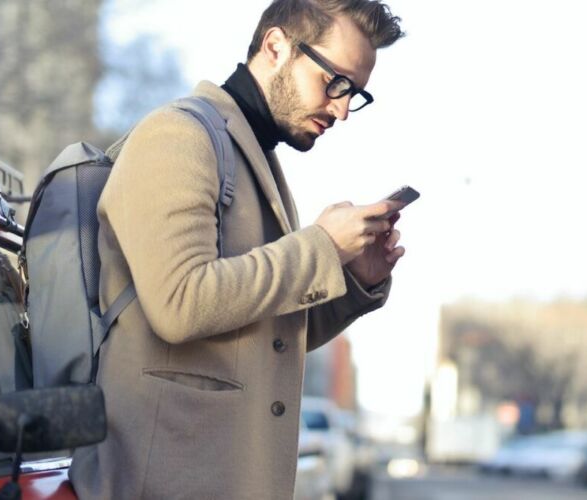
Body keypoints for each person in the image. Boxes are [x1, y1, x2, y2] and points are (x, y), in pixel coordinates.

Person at [69, 0, 406, 498]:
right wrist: (320, 248)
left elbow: (268, 336)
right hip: (158, 482)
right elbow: (179, 303)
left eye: (354, 94)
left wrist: (357, 281)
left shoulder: (256, 162)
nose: (340, 109)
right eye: (335, 83)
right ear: (276, 47)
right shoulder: (178, 134)